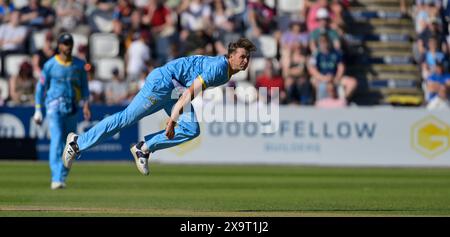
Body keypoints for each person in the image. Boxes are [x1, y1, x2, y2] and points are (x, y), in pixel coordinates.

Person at [62, 38, 257, 176]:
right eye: (242, 56)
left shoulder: (226, 71)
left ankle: (143, 148)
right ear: (230, 56)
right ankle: (77, 143)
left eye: (247, 57)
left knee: (191, 129)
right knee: (126, 119)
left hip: (175, 89)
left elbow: (187, 90)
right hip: (163, 83)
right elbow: (190, 93)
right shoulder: (219, 68)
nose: (245, 61)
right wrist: (172, 120)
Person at [33, 32, 91, 190]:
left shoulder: (79, 65)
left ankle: (62, 176)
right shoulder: (50, 65)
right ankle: (56, 178)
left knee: (70, 144)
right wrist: (38, 110)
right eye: (65, 44)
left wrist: (86, 105)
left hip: (72, 108)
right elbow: (40, 88)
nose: (68, 47)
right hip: (53, 108)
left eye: (70, 43)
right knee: (57, 140)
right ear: (59, 46)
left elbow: (85, 88)